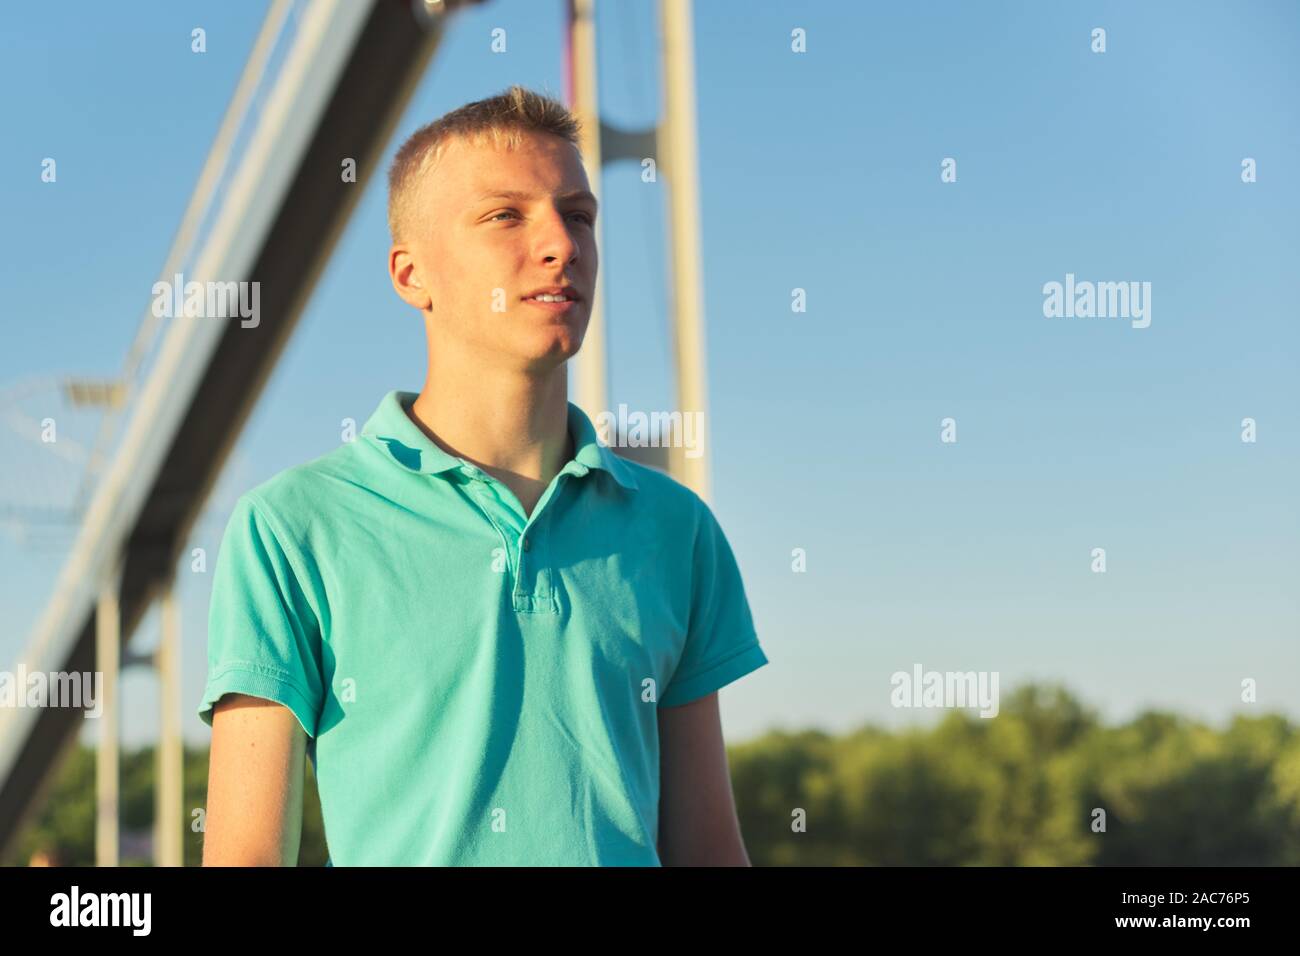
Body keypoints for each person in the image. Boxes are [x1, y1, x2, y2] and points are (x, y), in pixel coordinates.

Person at [198, 85, 768, 866]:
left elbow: (707, 850)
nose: (562, 244)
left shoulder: (678, 530)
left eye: (579, 214)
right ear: (410, 274)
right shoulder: (292, 527)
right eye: (507, 215)